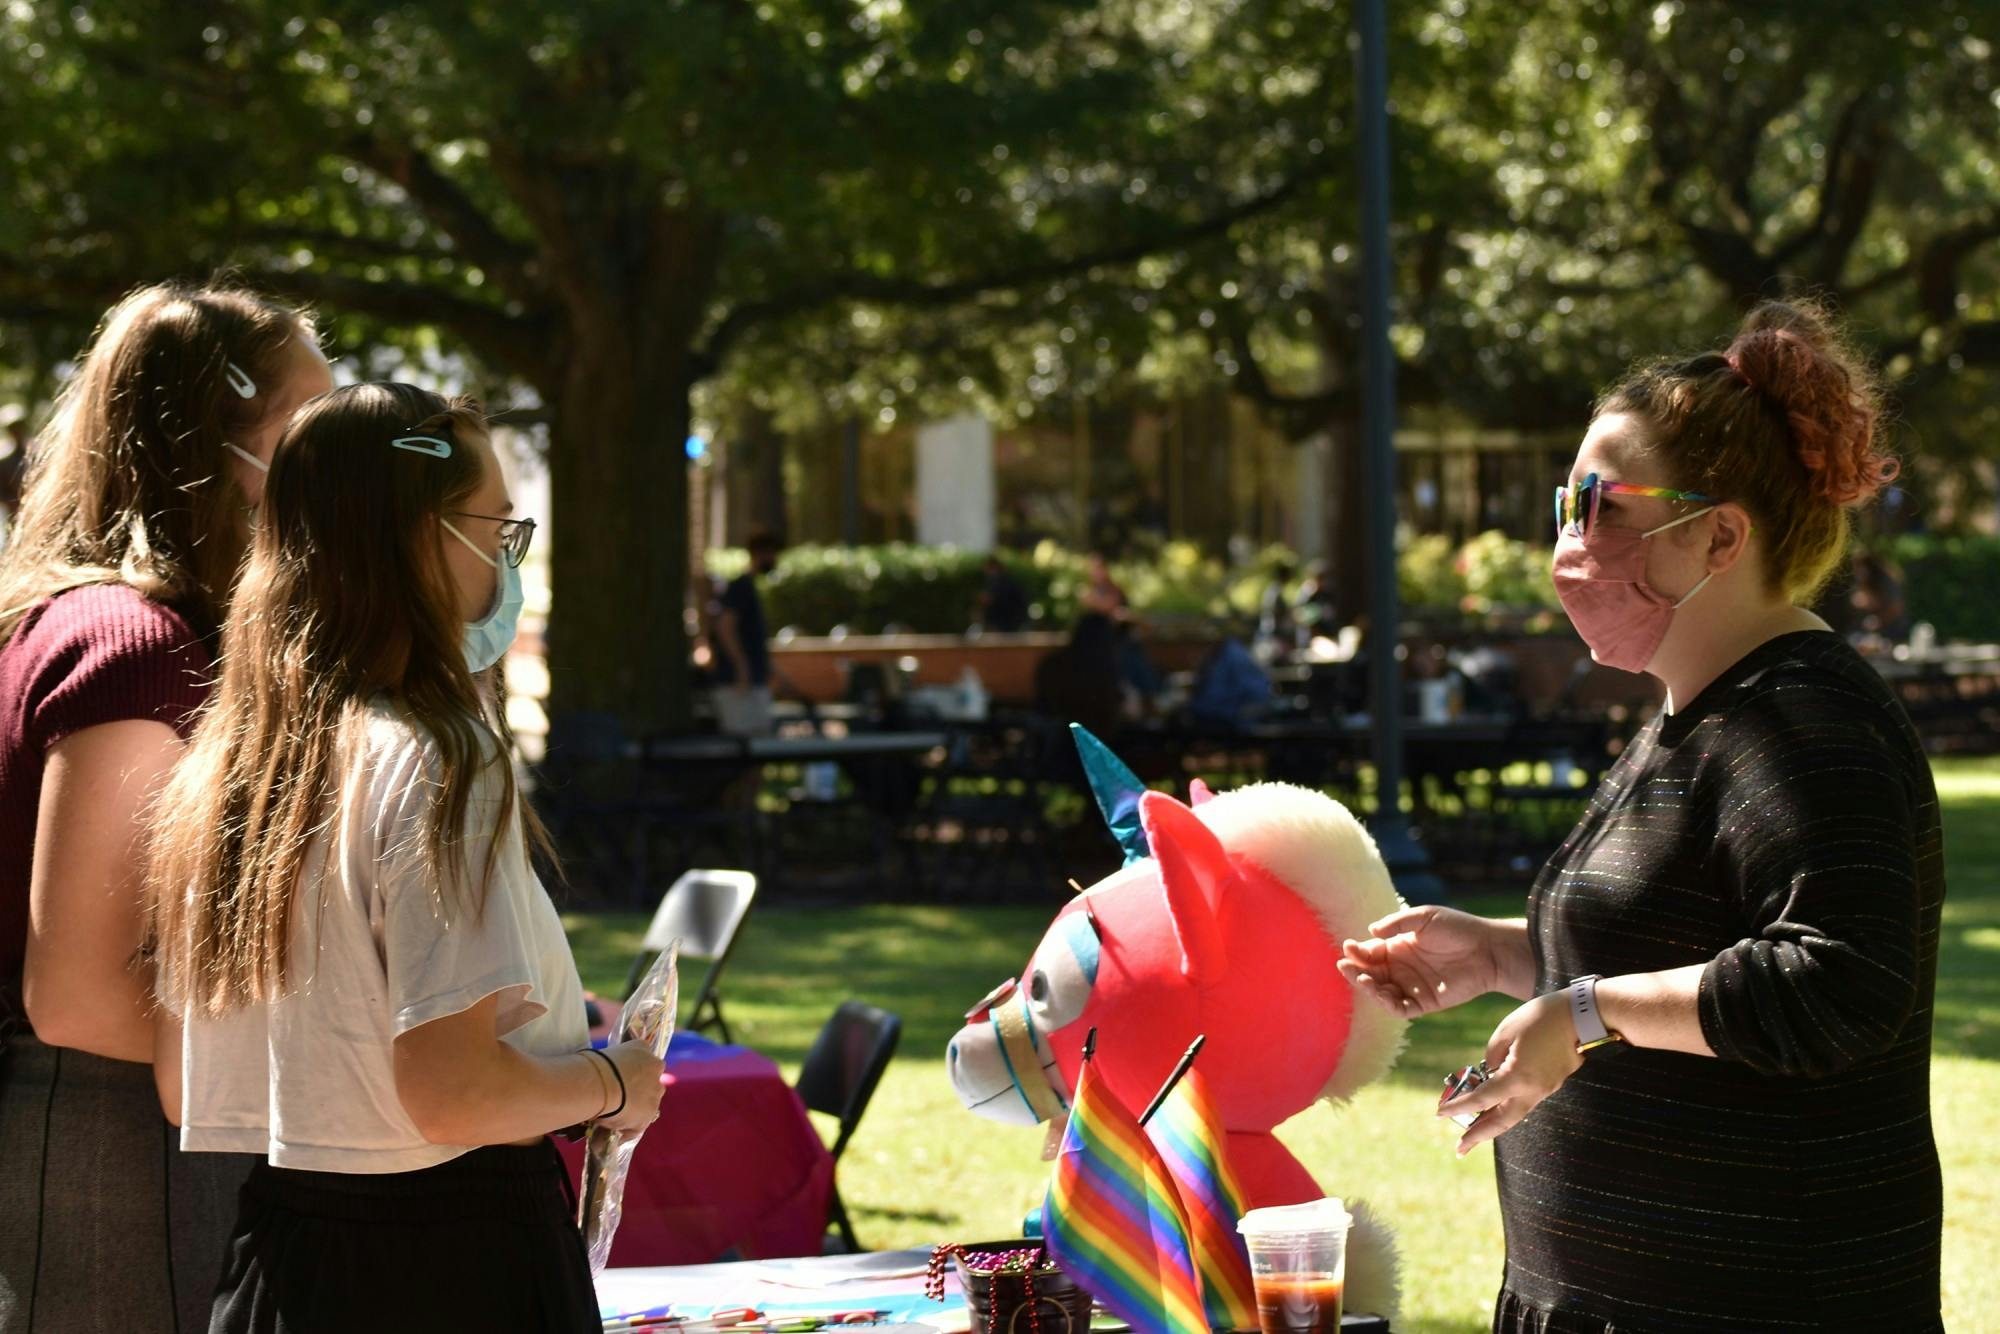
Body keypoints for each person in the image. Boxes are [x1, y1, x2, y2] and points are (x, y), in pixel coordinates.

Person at [1339, 300, 1943, 1332]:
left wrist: (1580, 1012)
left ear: (1718, 533)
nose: (1570, 539)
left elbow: (1838, 983)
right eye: (1564, 503)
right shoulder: (1690, 713)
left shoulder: (1805, 718)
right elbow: (1671, 948)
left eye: (1602, 504)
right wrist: (1494, 954)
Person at [145, 383, 664, 1334]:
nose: (507, 565)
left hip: (285, 1253)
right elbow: (454, 1092)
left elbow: (189, 1086)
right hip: (451, 1260)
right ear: (426, 537)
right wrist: (616, 1082)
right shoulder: (435, 757)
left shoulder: (230, 768)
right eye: (499, 529)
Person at [0, 280, 330, 1332]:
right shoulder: (132, 646)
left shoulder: (82, 620)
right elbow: (83, 994)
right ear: (219, 448)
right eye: (311, 436)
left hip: (137, 1120)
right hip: (109, 1134)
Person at [710, 529, 781, 735]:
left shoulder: (747, 587)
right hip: (740, 684)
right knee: (745, 743)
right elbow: (725, 626)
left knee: (760, 738)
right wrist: (741, 666)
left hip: (752, 680)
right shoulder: (740, 587)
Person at [976, 553, 1030, 633]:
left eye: (987, 567)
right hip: (1009, 622)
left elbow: (999, 599)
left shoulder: (1002, 581)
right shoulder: (1000, 580)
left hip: (1008, 622)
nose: (985, 570)